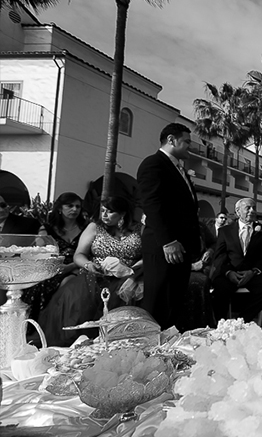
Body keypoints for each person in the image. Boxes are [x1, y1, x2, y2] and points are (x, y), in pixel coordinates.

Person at [40, 197, 143, 347]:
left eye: (110, 211)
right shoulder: (94, 227)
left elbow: (149, 256)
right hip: (94, 276)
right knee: (73, 301)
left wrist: (132, 270)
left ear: (123, 213)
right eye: (102, 211)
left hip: (129, 279)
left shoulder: (139, 229)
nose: (105, 215)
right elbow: (79, 255)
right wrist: (89, 265)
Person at [137, 122, 201, 331]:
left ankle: (168, 347)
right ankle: (149, 348)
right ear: (171, 140)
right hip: (163, 244)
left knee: (173, 301)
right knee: (158, 300)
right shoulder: (154, 164)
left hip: (180, 246)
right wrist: (168, 241)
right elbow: (152, 204)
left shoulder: (178, 168)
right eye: (187, 142)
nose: (190, 146)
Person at [210, 198, 262, 323]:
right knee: (219, 290)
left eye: (254, 208)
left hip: (251, 274)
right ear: (238, 212)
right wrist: (229, 273)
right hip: (230, 272)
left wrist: (253, 272)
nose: (252, 211)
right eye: (248, 208)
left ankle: (241, 321)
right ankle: (220, 324)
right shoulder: (225, 231)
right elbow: (219, 257)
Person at [24, 192, 87, 319]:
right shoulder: (47, 229)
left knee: (67, 282)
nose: (74, 209)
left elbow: (90, 253)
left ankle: (55, 320)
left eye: (77, 206)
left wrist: (71, 266)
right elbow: (41, 252)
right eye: (69, 206)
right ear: (59, 208)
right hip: (52, 268)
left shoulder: (86, 228)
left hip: (79, 266)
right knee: (38, 284)